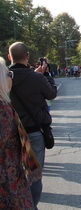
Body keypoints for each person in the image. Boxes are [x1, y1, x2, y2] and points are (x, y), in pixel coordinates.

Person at [8, 42, 58, 209]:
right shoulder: (37, 77)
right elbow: (51, 93)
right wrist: (46, 73)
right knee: (34, 174)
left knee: (13, 172)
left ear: (9, 57)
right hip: (35, 131)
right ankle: (31, 206)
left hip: (11, 132)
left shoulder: (5, 78)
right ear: (27, 56)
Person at [0, 56, 43, 209]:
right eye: (8, 74)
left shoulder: (5, 106)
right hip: (8, 189)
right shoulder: (2, 111)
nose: (11, 77)